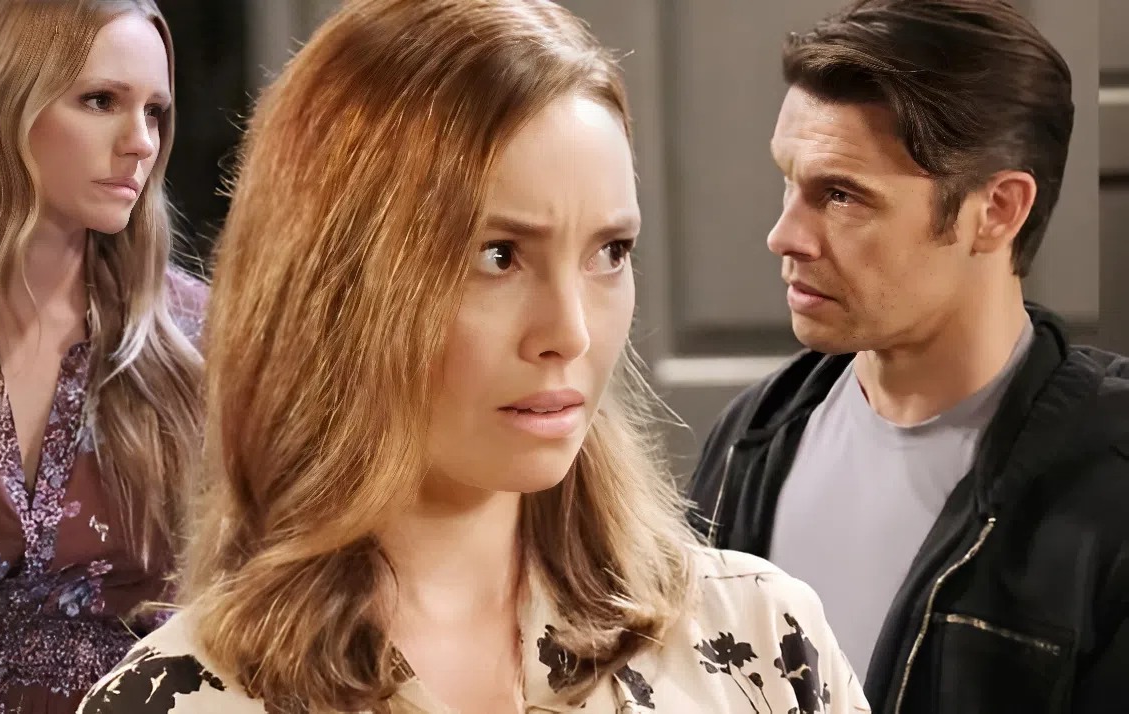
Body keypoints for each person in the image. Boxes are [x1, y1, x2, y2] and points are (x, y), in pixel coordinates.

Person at [77, 1, 870, 712]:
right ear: (333, 285)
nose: (570, 332)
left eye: (609, 252)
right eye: (498, 256)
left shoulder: (763, 642)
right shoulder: (176, 699)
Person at [684, 1, 1129, 712]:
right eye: (789, 181)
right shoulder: (749, 442)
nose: (784, 235)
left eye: (840, 195)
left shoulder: (1109, 489)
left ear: (998, 210)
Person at [0, 0, 208, 711]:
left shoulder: (198, 336)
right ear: (9, 99)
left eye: (155, 112)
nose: (140, 142)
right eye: (101, 101)